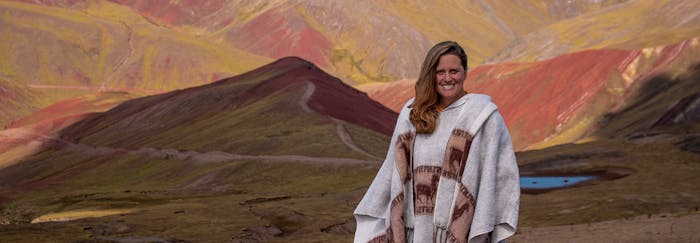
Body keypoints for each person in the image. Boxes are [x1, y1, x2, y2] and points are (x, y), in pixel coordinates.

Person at [353, 41, 520, 243]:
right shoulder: (412, 114)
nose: (447, 78)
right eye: (440, 72)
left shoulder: (484, 117)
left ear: (465, 72)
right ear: (430, 74)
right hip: (415, 230)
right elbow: (393, 170)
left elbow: (502, 176)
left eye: (454, 71)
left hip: (461, 230)